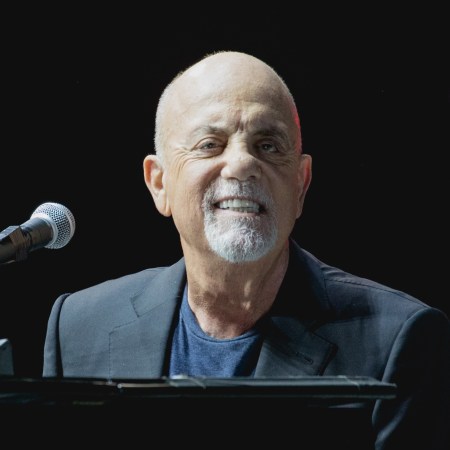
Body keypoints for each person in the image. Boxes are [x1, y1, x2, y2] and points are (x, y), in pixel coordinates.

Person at [42, 51, 450, 449]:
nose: (241, 164)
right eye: (209, 144)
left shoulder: (400, 340)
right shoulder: (78, 328)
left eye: (268, 145)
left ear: (301, 184)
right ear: (159, 184)